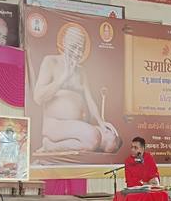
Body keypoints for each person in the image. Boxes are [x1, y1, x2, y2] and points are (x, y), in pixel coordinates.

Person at [33, 25, 121, 153]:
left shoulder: (81, 71)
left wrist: (101, 122)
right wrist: (63, 78)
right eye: (74, 47)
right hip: (55, 124)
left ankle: (86, 138)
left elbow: (89, 100)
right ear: (64, 43)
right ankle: (49, 145)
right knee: (93, 138)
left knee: (111, 142)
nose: (77, 52)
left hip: (78, 126)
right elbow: (38, 98)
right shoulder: (51, 62)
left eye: (81, 49)